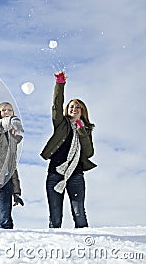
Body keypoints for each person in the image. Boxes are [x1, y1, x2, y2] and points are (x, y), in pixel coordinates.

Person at [41, 70, 96, 228]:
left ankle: (86, 245)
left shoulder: (86, 129)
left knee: (79, 213)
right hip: (55, 173)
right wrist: (60, 84)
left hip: (76, 175)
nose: (74, 109)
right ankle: (54, 245)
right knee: (55, 215)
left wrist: (81, 131)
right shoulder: (61, 123)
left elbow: (89, 152)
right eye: (71, 106)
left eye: (78, 107)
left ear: (82, 111)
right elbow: (56, 105)